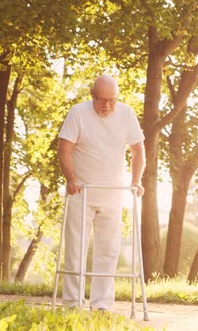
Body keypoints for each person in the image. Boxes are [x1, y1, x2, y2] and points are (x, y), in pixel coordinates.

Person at [57, 75, 145, 311]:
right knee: (76, 249)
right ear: (92, 94)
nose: (106, 105)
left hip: (113, 193)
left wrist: (136, 181)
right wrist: (71, 180)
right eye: (101, 99)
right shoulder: (78, 113)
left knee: (108, 252)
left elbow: (138, 150)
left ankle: (102, 305)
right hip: (81, 193)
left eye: (111, 100)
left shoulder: (126, 114)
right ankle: (72, 304)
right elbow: (64, 149)